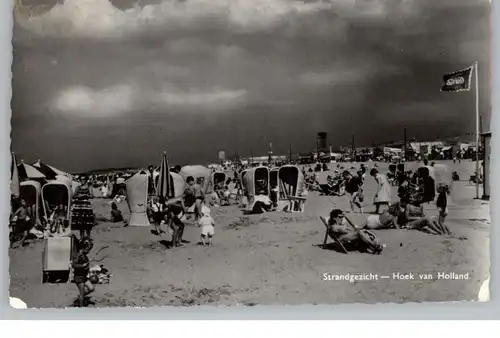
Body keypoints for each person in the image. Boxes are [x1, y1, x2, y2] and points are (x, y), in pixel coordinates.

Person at [71, 237, 95, 307]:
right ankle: (81, 307)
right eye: (88, 249)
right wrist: (82, 265)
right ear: (83, 247)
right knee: (82, 294)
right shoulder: (79, 255)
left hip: (84, 277)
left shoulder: (84, 255)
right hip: (79, 277)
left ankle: (80, 298)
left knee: (91, 288)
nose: (89, 251)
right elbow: (74, 265)